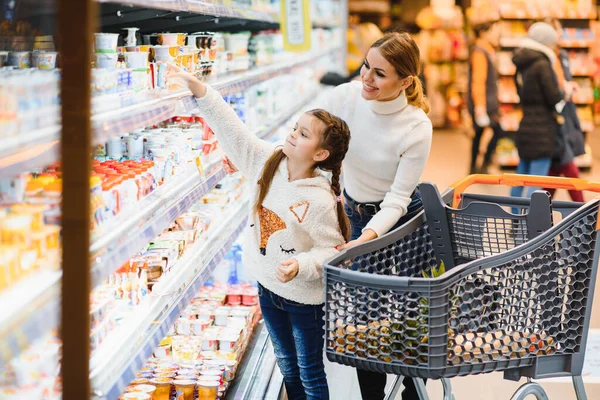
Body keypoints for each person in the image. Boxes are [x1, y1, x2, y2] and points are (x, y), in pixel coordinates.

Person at [166, 63, 352, 400]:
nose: (293, 134)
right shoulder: (269, 161)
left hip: (304, 300)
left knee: (309, 371)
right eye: (296, 128)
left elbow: (333, 251)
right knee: (287, 366)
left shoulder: (320, 199)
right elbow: (234, 131)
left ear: (321, 155)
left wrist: (301, 265)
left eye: (304, 134)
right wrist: (200, 89)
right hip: (267, 289)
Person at [318, 31, 432, 400]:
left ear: (406, 81)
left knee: (414, 318)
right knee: (367, 318)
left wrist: (366, 238)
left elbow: (398, 199)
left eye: (380, 74)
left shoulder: (416, 125)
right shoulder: (345, 98)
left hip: (405, 223)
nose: (366, 77)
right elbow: (309, 145)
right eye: (367, 65)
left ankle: (414, 394)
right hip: (355, 211)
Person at [510, 22, 577, 201]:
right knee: (536, 181)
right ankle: (529, 223)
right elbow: (554, 97)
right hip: (543, 131)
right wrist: (566, 92)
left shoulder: (521, 64)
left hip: (525, 126)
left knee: (519, 178)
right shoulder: (542, 64)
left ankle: (515, 221)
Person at [543, 17, 586, 202]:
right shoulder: (544, 60)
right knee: (567, 165)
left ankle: (537, 213)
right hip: (553, 120)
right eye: (556, 30)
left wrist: (568, 87)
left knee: (555, 170)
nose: (560, 34)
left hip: (566, 115)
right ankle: (585, 213)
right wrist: (562, 90)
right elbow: (551, 91)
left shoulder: (562, 56)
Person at [467, 15, 503, 174]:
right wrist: (480, 107)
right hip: (484, 103)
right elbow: (478, 81)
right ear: (484, 33)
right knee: (497, 130)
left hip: (486, 101)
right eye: (494, 31)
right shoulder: (480, 53)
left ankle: (476, 167)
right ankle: (481, 165)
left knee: (479, 134)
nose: (496, 34)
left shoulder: (487, 51)